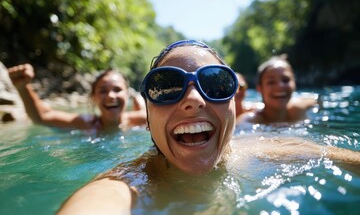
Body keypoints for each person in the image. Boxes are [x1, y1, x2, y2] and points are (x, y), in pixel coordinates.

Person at [57, 40, 360, 214]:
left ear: (233, 104)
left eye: (215, 83)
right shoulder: (124, 185)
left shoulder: (276, 152)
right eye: (166, 88)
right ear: (146, 118)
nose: (193, 100)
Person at [8, 63, 147, 132]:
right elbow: (42, 117)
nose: (111, 96)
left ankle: (138, 102)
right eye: (103, 91)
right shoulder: (86, 123)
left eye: (117, 89)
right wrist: (23, 87)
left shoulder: (142, 119)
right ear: (93, 97)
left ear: (127, 94)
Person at [237, 54, 317, 125]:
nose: (280, 86)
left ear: (294, 83)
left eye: (286, 80)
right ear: (260, 89)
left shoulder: (299, 107)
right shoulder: (248, 121)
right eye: (271, 82)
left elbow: (316, 101)